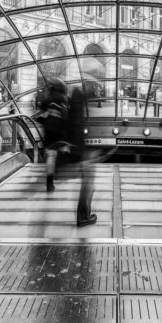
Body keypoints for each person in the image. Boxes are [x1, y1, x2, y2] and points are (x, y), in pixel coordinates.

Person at [68, 67, 100, 226]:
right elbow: (76, 126)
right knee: (88, 184)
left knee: (89, 184)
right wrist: (83, 151)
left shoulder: (75, 98)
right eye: (91, 84)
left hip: (79, 148)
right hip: (80, 150)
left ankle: (84, 215)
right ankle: (83, 217)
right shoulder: (77, 98)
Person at [38, 78, 69, 192]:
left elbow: (41, 108)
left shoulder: (49, 98)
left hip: (49, 130)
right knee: (59, 151)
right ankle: (58, 164)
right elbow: (66, 116)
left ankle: (49, 182)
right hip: (59, 131)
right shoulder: (64, 99)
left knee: (50, 155)